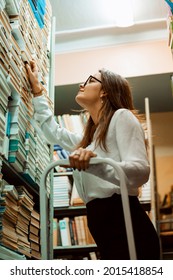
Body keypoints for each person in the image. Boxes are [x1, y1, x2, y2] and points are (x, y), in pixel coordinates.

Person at [26, 60, 160, 260]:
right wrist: (37, 92)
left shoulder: (121, 117)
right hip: (103, 223)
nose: (82, 84)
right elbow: (54, 133)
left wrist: (95, 164)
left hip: (124, 222)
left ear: (105, 90)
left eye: (90, 80)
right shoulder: (92, 138)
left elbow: (140, 171)